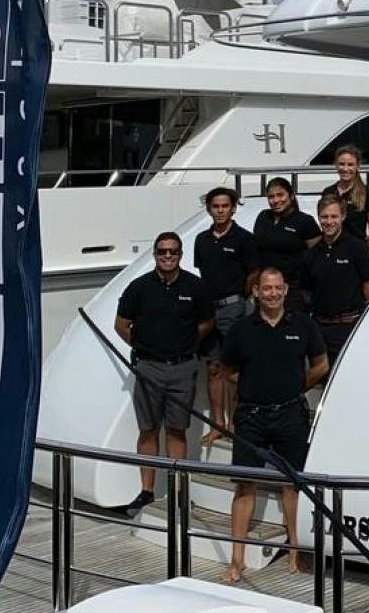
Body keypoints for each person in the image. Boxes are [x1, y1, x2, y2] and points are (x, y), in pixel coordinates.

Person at [220, 266, 328, 584]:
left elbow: (321, 364)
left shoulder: (303, 325)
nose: (273, 293)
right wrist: (254, 385)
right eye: (267, 288)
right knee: (244, 485)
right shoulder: (241, 329)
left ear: (285, 290)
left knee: (292, 485)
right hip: (251, 415)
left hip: (290, 413)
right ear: (256, 292)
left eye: (278, 288)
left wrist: (296, 387)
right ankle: (236, 559)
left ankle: (295, 549)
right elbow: (225, 370)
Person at [114, 231, 214, 515]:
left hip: (183, 367)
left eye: (172, 251)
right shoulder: (139, 288)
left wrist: (184, 342)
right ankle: (146, 491)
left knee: (177, 429)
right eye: (162, 251)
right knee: (147, 430)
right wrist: (145, 346)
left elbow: (207, 322)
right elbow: (121, 325)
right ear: (154, 254)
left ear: (180, 255)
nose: (167, 256)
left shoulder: (195, 287)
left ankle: (177, 493)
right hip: (149, 368)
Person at [192, 186, 258, 445]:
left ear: (232, 209)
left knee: (234, 368)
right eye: (215, 206)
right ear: (209, 209)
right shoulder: (202, 240)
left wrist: (242, 303)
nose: (220, 210)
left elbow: (253, 273)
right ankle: (218, 423)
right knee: (214, 368)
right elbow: (204, 274)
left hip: (234, 308)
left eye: (224, 206)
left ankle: (234, 423)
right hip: (208, 310)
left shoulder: (244, 238)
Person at [304, 194, 369, 366]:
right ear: (318, 218)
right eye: (324, 217)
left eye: (334, 216)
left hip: (348, 327)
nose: (329, 221)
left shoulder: (359, 249)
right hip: (319, 329)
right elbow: (306, 294)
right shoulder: (311, 254)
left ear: (343, 217)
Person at [251, 177, 320, 309]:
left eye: (280, 195)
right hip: (265, 287)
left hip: (293, 289)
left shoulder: (304, 221)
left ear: (291, 195)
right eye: (271, 196)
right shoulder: (263, 217)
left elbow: (316, 256)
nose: (276, 200)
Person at [321, 144, 369, 247]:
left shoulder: (368, 194)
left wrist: (361, 251)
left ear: (358, 165)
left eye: (350, 164)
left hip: (357, 252)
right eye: (341, 164)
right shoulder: (328, 192)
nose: (345, 169)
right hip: (333, 250)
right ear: (336, 164)